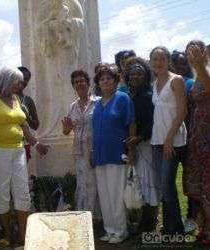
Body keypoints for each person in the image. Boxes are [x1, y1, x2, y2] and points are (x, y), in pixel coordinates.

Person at [0, 67, 49, 247]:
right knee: (1, 192)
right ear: (6, 80)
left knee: (22, 191)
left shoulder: (16, 98)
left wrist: (35, 143)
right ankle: (7, 233)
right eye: (17, 82)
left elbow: (24, 126)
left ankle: (23, 234)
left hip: (18, 150)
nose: (20, 85)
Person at [91, 63, 136, 244]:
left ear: (116, 80)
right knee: (105, 194)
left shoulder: (123, 98)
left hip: (117, 154)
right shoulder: (98, 104)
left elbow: (131, 123)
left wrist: (131, 150)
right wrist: (92, 152)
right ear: (98, 83)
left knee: (117, 194)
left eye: (109, 78)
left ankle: (121, 231)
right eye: (102, 79)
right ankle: (110, 230)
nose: (105, 81)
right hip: (100, 155)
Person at [150, 46, 187, 236]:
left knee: (166, 184)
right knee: (164, 185)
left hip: (173, 139)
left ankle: (177, 230)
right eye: (154, 59)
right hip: (157, 140)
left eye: (161, 59)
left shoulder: (176, 80)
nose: (158, 63)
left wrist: (170, 138)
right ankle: (169, 227)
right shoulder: (154, 83)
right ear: (151, 62)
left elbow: (182, 111)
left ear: (167, 60)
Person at [123, 57, 159, 233]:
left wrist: (139, 138)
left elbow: (152, 122)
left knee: (148, 180)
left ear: (146, 77)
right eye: (133, 74)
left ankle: (150, 220)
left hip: (146, 144)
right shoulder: (131, 96)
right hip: (135, 145)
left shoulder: (148, 96)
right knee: (140, 182)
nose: (136, 77)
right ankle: (143, 219)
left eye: (140, 74)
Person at [61, 70, 101, 221]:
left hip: (94, 148)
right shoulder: (72, 106)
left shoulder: (98, 102)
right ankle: (85, 216)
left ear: (88, 83)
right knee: (82, 182)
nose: (79, 84)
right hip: (78, 151)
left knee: (94, 183)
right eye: (76, 82)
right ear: (73, 86)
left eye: (82, 81)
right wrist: (66, 127)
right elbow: (66, 131)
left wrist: (94, 150)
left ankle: (98, 217)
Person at [184, 40, 210, 244]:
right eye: (189, 52)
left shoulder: (208, 71)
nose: (192, 55)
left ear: (204, 54)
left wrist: (200, 65)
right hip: (198, 135)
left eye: (196, 50)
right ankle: (205, 224)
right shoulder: (195, 76)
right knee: (202, 181)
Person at [171, 50, 196, 233]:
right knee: (170, 181)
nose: (181, 66)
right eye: (177, 63)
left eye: (183, 63)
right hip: (173, 138)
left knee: (190, 180)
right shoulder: (169, 82)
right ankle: (175, 219)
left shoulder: (191, 83)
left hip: (191, 137)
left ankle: (192, 216)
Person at [17, 66, 40, 162]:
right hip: (6, 143)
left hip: (24, 142)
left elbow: (35, 126)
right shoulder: (4, 97)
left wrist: (27, 116)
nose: (23, 82)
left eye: (26, 80)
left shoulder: (28, 100)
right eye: (21, 78)